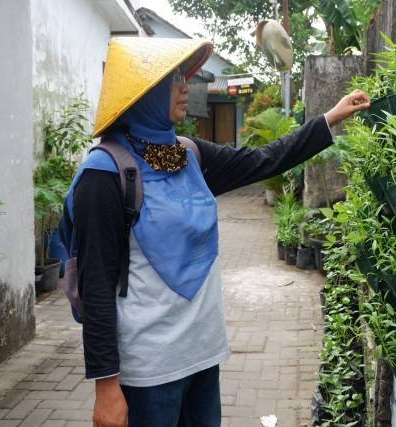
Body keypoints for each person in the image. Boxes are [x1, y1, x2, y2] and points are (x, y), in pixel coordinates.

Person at [68, 37, 370, 427]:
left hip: (203, 354)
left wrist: (328, 119)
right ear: (142, 92)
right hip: (148, 371)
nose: (184, 87)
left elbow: (264, 160)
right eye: (171, 80)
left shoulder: (186, 153)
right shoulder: (103, 174)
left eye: (182, 77)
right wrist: (106, 386)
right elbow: (96, 283)